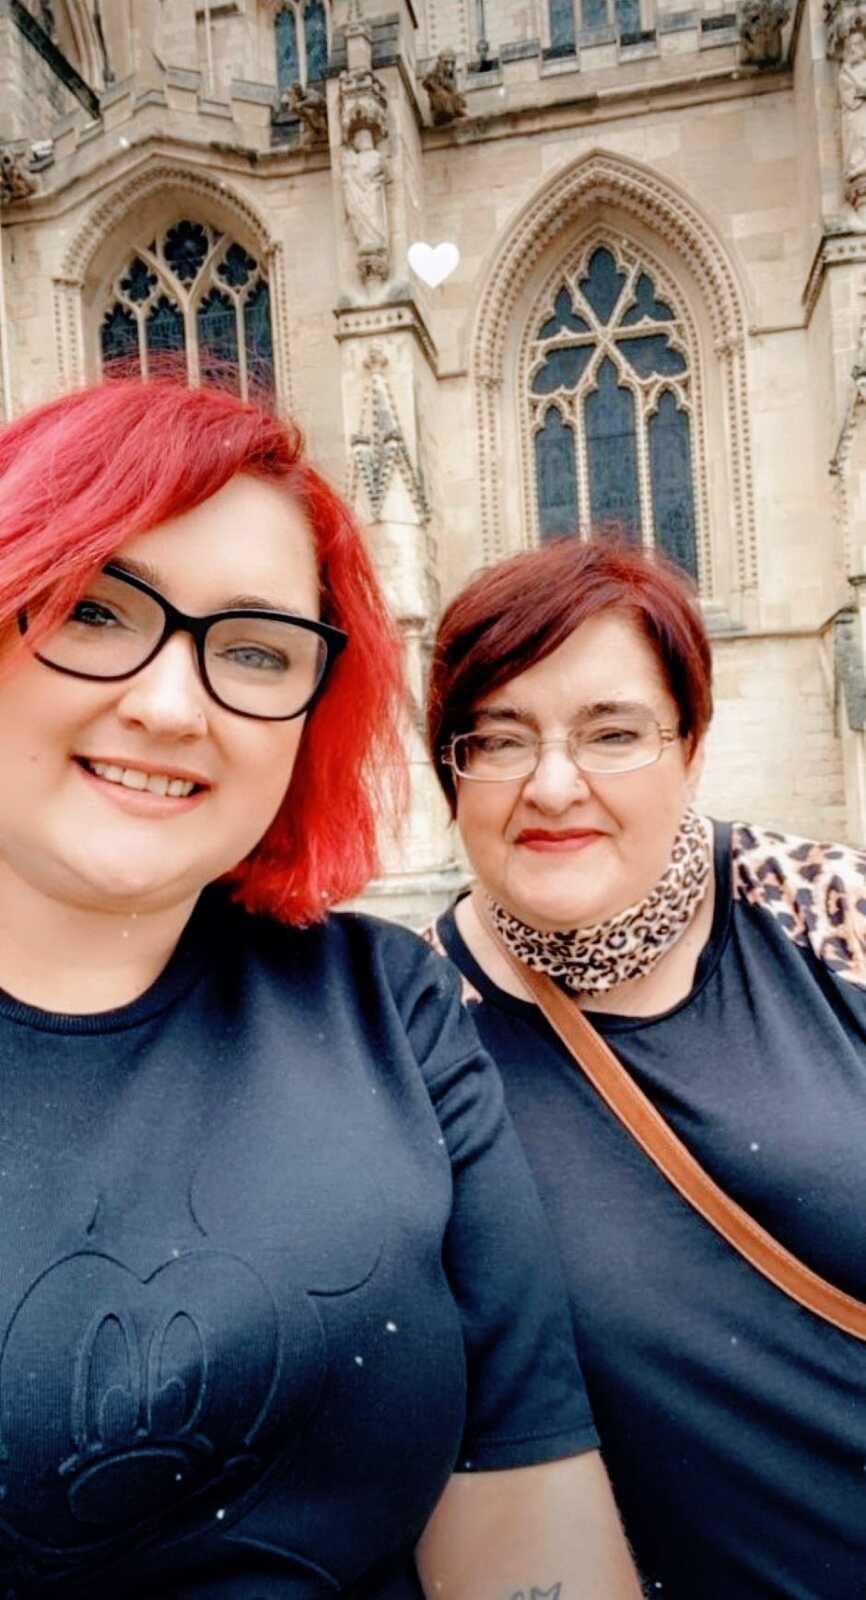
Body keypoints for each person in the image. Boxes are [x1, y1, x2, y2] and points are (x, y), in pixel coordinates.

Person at [0, 379, 641, 1600]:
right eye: (91, 607)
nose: (171, 703)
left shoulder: (386, 1009)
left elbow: (523, 1513)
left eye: (251, 649)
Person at [426, 536, 866, 1600]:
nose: (554, 783)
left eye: (612, 732)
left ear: (690, 744)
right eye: (496, 738)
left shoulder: (825, 911)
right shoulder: (411, 1032)